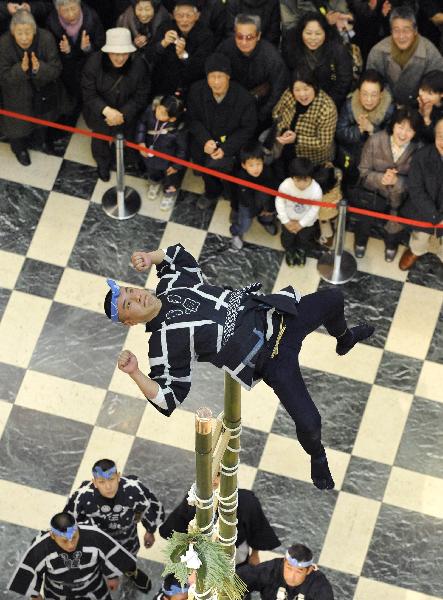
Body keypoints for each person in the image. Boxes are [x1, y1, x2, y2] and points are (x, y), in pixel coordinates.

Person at [103, 243, 374, 490]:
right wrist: (135, 373)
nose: (137, 297)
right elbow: (167, 398)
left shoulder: (174, 282)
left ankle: (345, 339)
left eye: (130, 291)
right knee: (310, 422)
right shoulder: (163, 341)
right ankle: (317, 455)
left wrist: (149, 257)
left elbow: (176, 257)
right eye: (129, 304)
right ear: (129, 322)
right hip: (272, 359)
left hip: (279, 315)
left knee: (334, 299)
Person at [64, 458, 164, 593]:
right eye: (102, 482)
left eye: (111, 479)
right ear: (94, 482)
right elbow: (69, 521)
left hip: (127, 536)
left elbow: (151, 506)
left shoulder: (133, 488)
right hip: (100, 542)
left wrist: (150, 530)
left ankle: (130, 572)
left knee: (129, 557)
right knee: (102, 561)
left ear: (118, 476)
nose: (108, 487)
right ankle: (108, 575)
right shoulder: (83, 496)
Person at [159, 471, 280, 566]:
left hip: (235, 554)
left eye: (218, 475)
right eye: (209, 474)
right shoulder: (194, 500)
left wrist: (255, 554)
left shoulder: (247, 501)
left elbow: (256, 528)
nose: (213, 480)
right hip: (201, 555)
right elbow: (179, 525)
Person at [7, 512, 136, 599]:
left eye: (74, 537)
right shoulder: (41, 547)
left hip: (93, 585)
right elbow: (32, 571)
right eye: (64, 540)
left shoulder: (93, 536)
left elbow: (109, 554)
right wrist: (35, 596)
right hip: (57, 592)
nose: (70, 545)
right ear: (53, 535)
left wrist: (112, 576)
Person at [186, 52, 257, 209]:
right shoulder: (196, 91)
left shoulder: (243, 98)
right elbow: (192, 119)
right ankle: (212, 192)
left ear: (228, 77)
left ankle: (235, 201)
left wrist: (226, 148)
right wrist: (205, 140)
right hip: (205, 142)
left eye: (220, 76)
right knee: (204, 167)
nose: (216, 82)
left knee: (233, 177)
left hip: (231, 145)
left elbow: (248, 128)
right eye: (212, 77)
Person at [0, 9, 71, 165]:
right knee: (18, 127)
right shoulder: (4, 44)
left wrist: (39, 69)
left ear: (35, 30)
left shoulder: (46, 38)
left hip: (42, 90)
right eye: (20, 33)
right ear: (13, 32)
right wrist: (20, 69)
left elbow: (56, 68)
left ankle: (42, 142)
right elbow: (2, 76)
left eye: (28, 32)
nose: (24, 38)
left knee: (43, 121)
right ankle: (19, 150)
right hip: (15, 95)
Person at [81, 26, 150, 181]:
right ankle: (103, 164)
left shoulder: (139, 65)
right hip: (100, 115)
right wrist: (106, 111)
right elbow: (88, 93)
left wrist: (122, 114)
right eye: (115, 54)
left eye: (124, 53)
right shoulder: (93, 63)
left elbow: (142, 95)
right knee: (100, 142)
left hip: (127, 115)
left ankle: (124, 161)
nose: (120, 58)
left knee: (127, 140)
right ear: (107, 51)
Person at [352, 105, 420, 261]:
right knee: (365, 221)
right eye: (400, 127)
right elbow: (363, 170)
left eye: (409, 130)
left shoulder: (418, 149)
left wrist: (398, 181)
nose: (403, 134)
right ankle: (360, 241)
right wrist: (381, 179)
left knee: (395, 224)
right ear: (393, 125)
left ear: (415, 133)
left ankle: (391, 244)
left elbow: (418, 183)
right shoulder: (376, 140)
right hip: (373, 193)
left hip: (398, 198)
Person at [216, 13, 289, 128]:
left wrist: (260, 115)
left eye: (249, 37)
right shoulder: (225, 49)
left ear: (258, 36)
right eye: (240, 36)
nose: (244, 42)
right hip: (230, 103)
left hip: (260, 107)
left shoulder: (271, 57)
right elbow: (214, 77)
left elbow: (278, 92)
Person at [366, 5, 443, 106]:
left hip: (420, 108)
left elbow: (437, 90)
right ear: (391, 31)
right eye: (396, 30)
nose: (401, 36)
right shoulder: (378, 52)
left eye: (406, 30)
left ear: (415, 31)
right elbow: (370, 86)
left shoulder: (430, 54)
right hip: (387, 107)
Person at [271, 67, 337, 175]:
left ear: (314, 87)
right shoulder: (289, 93)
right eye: (297, 90)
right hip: (286, 149)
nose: (302, 94)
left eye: (306, 89)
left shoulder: (326, 107)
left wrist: (296, 139)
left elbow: (323, 143)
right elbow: (276, 112)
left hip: (311, 159)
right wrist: (283, 129)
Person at [282, 11, 353, 109]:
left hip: (328, 103)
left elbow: (344, 82)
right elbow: (287, 75)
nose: (313, 38)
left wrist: (324, 104)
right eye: (308, 33)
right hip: (299, 98)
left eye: (318, 33)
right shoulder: (292, 48)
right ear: (301, 32)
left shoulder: (337, 50)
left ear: (325, 32)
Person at [336, 69, 394, 187]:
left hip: (377, 162)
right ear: (359, 92)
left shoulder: (389, 109)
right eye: (365, 94)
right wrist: (359, 130)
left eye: (374, 95)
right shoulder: (349, 105)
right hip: (351, 157)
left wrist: (372, 129)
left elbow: (391, 139)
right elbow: (340, 132)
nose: (369, 100)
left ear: (381, 94)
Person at [399, 116, 443, 270]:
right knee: (419, 239)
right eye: (440, 136)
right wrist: (435, 217)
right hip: (424, 211)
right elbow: (416, 189)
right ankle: (416, 252)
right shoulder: (422, 156)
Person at [145, 0, 214, 96]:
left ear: (197, 16)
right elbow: (149, 56)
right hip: (162, 86)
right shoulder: (165, 27)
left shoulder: (206, 35)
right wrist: (162, 44)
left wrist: (183, 55)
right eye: (180, 15)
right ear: (173, 15)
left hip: (191, 88)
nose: (184, 20)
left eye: (189, 15)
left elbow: (201, 69)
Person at [46, 0, 104, 107]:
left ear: (80, 5)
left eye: (73, 8)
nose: (71, 15)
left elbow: (101, 43)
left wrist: (88, 48)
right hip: (67, 72)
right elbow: (51, 54)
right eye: (65, 11)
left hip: (88, 69)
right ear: (58, 10)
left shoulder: (91, 17)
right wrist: (66, 52)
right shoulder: (51, 22)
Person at [136, 94, 188, 210]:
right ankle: (154, 183)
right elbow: (142, 124)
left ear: (172, 118)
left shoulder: (178, 130)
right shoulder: (150, 111)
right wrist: (140, 142)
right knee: (152, 170)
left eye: (163, 114)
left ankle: (169, 193)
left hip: (168, 159)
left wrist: (176, 165)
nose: (158, 113)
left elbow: (182, 149)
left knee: (171, 178)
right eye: (159, 109)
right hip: (150, 152)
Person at [237, 543, 334, 600]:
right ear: (284, 562)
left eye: (299, 571)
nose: (292, 576)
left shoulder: (319, 586)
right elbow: (238, 581)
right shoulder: (271, 569)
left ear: (309, 570)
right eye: (289, 568)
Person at [230, 142, 278, 250]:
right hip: (248, 206)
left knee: (268, 215)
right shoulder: (241, 178)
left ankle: (266, 222)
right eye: (251, 165)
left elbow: (273, 191)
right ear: (243, 165)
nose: (256, 168)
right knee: (244, 225)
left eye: (258, 164)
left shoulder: (268, 172)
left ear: (263, 161)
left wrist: (270, 208)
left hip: (265, 201)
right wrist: (256, 211)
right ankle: (236, 232)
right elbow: (246, 199)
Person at [276, 157, 322, 267]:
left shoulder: (316, 190)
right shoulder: (285, 185)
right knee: (287, 238)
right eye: (297, 180)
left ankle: (301, 251)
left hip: (306, 223)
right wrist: (286, 221)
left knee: (304, 238)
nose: (301, 184)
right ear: (292, 177)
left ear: (311, 177)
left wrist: (301, 224)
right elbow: (279, 202)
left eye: (305, 180)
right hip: (288, 220)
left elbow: (314, 209)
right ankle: (290, 251)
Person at [416, 69, 443, 143]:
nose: (424, 96)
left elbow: (435, 139)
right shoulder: (417, 100)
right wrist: (419, 112)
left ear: (441, 94)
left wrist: (426, 118)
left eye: (430, 93)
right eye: (422, 90)